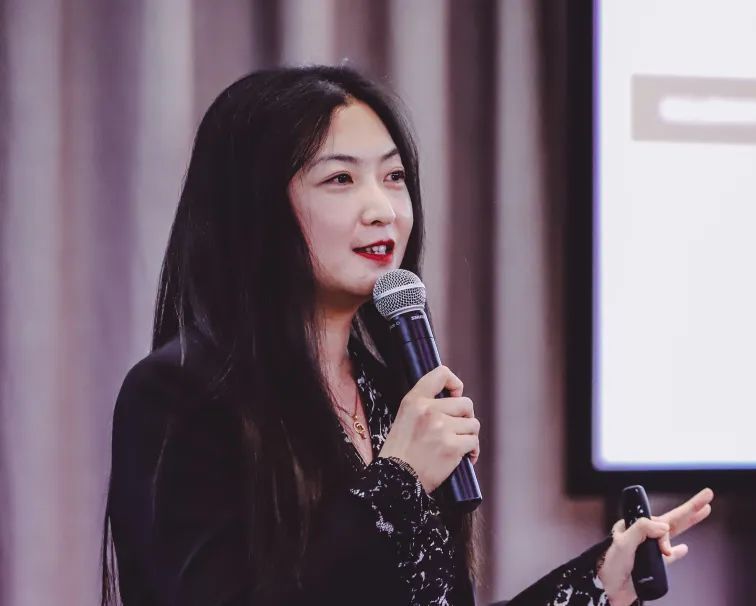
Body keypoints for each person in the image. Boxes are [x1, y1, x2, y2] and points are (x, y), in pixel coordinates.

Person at [100, 65, 714, 605]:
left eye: (394, 177)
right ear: (254, 207)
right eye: (341, 180)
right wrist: (397, 482)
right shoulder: (180, 394)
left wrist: (600, 583)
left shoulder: (392, 394)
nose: (384, 210)